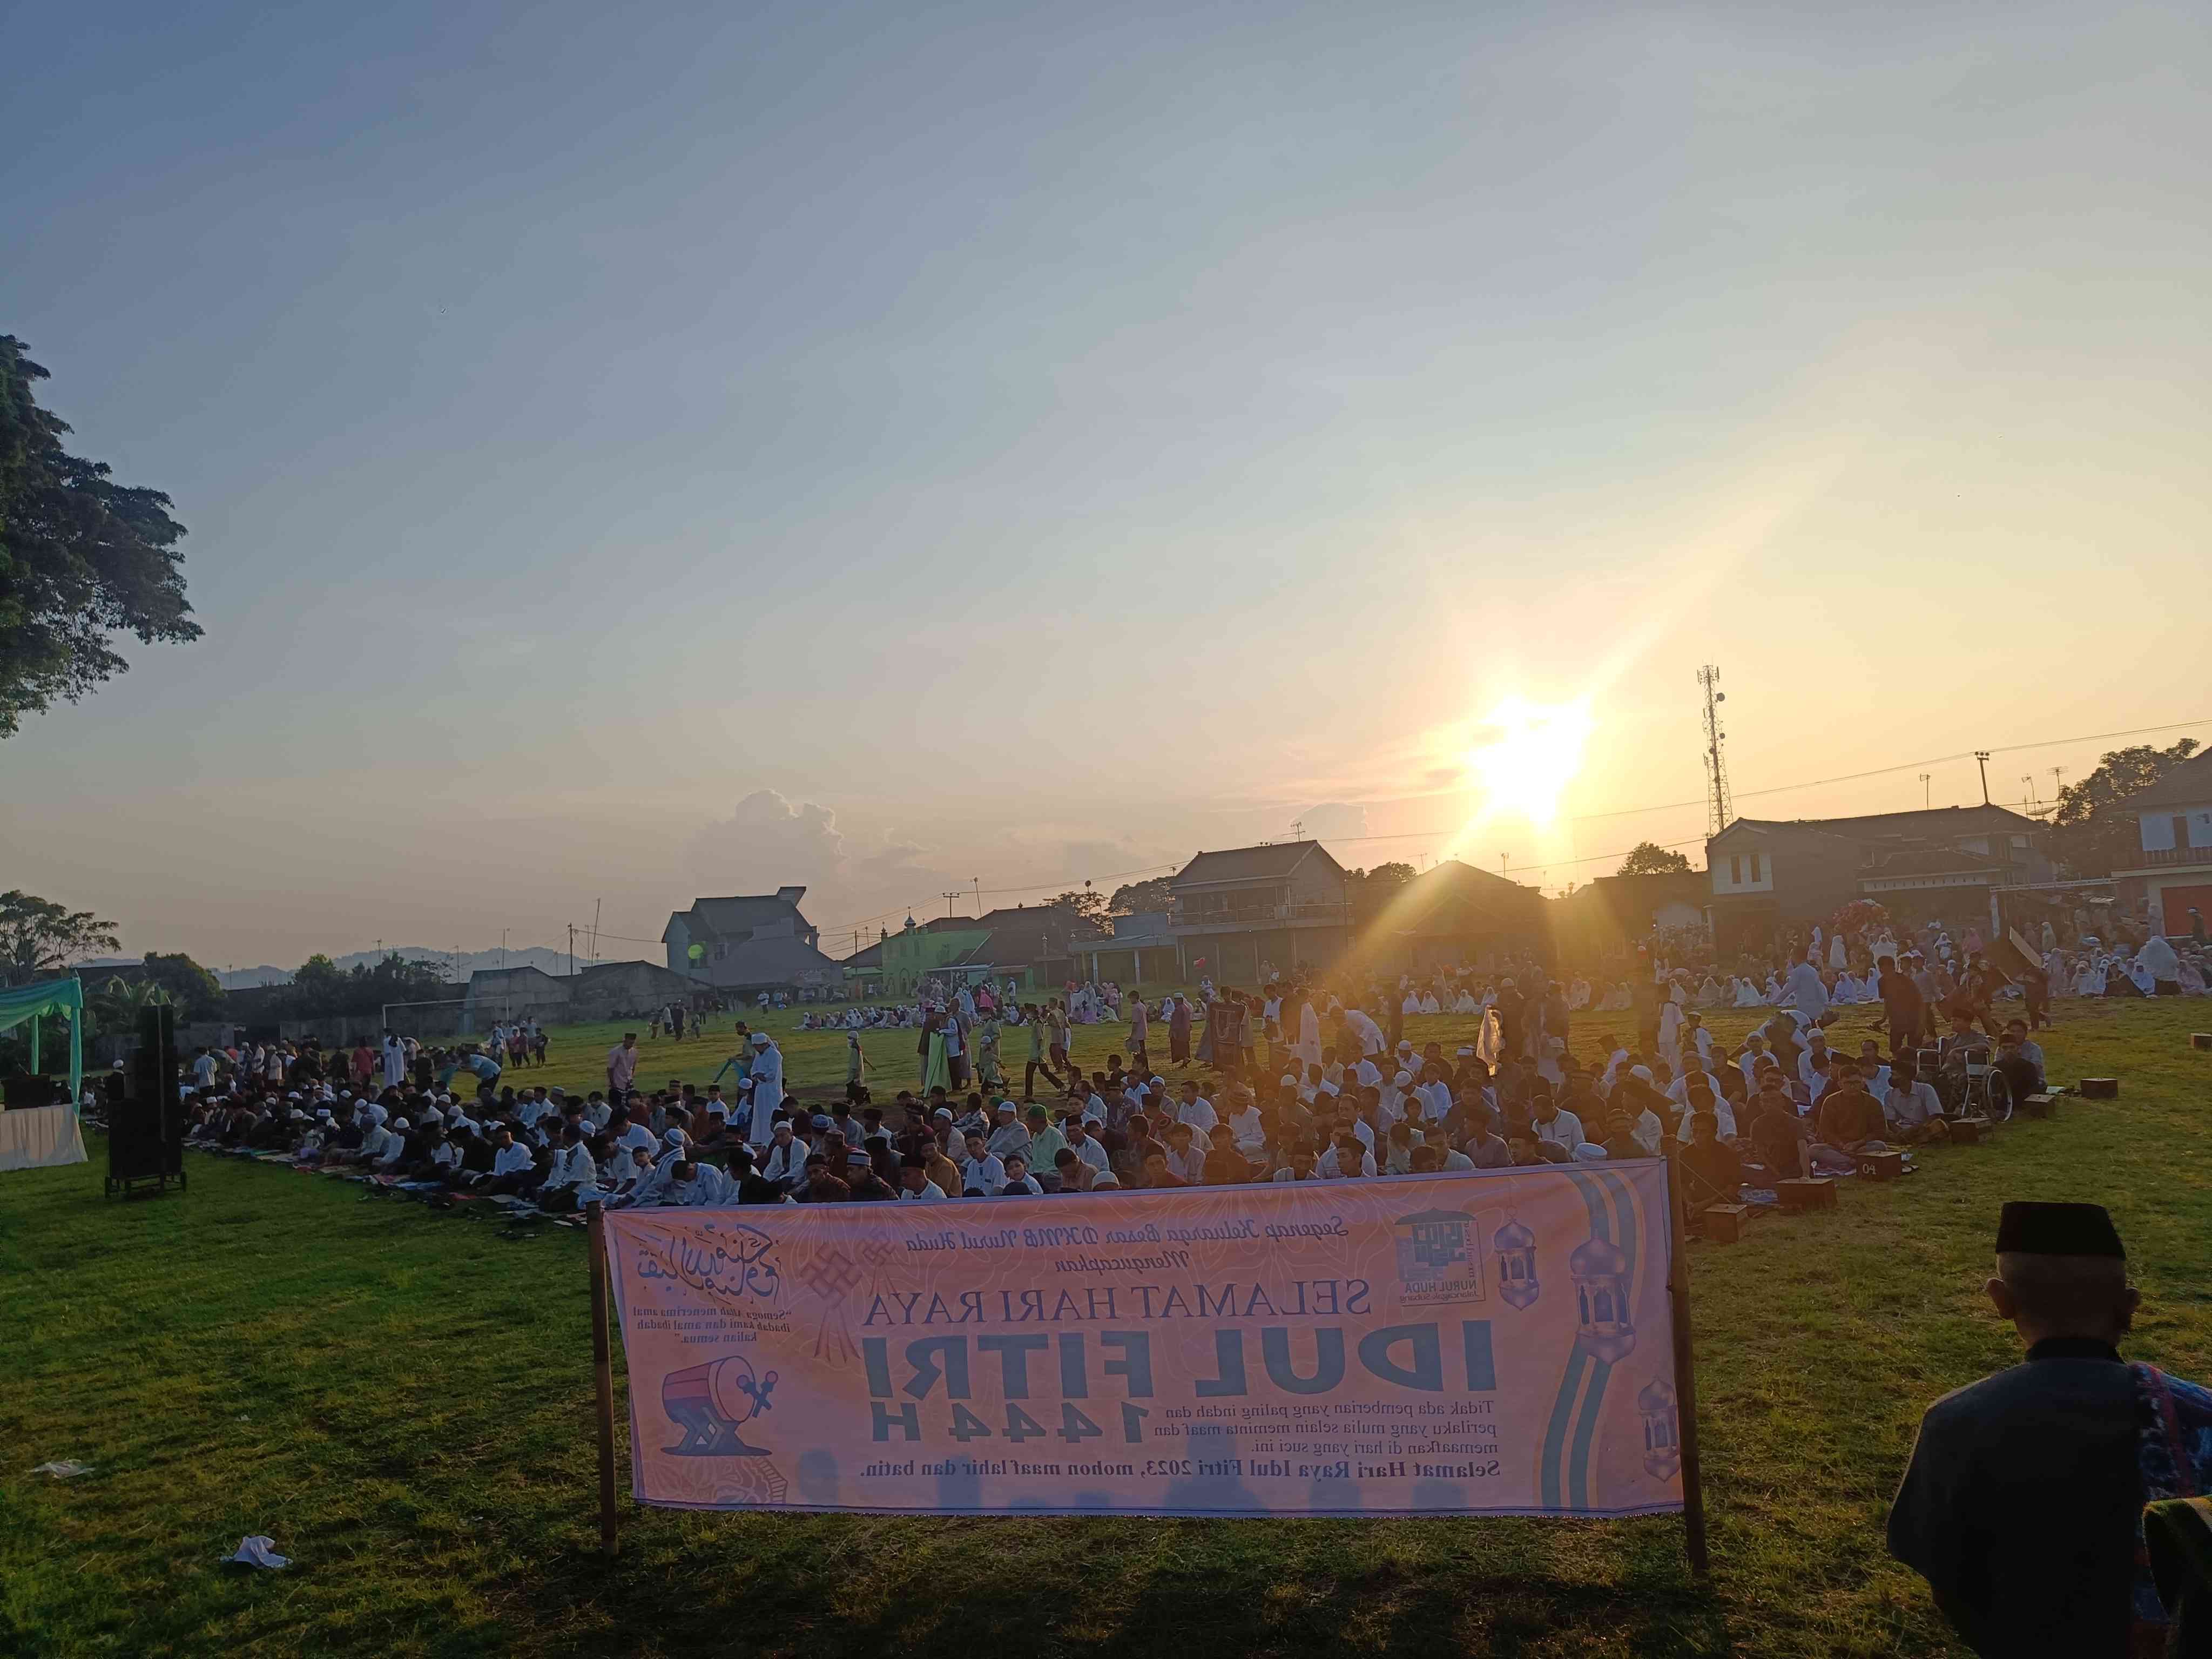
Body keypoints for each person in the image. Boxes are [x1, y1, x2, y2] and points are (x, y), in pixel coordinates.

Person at [1889, 1202, 2212, 1657]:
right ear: (2130, 1305)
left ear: (2000, 1300)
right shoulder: (2197, 1412)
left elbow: (1947, 1586)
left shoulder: (1958, 1421)